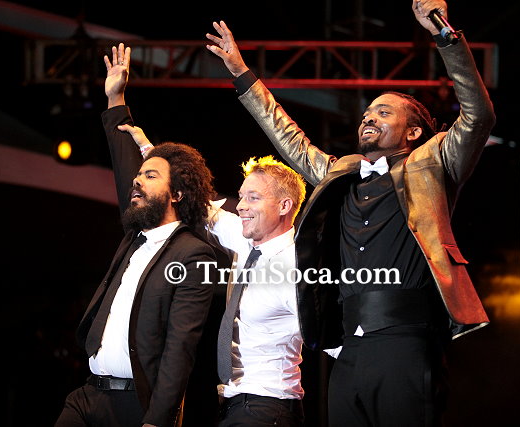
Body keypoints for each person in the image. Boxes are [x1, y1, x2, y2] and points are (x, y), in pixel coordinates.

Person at [206, 0, 495, 425]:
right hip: (349, 346)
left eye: (383, 112)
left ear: (414, 132)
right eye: (366, 113)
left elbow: (478, 116)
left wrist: (444, 35)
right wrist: (242, 74)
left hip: (406, 339)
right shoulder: (342, 173)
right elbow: (289, 137)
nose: (368, 118)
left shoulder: (434, 163)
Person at [103, 45, 316, 426]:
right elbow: (200, 206)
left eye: (253, 198)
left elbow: (327, 333)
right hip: (236, 403)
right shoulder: (246, 243)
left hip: (270, 407)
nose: (242, 206)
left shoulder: (294, 266)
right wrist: (151, 152)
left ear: (285, 206)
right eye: (242, 196)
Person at [55, 46, 218, 427]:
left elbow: (180, 348)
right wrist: (116, 99)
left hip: (135, 406)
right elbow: (123, 162)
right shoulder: (135, 235)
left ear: (177, 194)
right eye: (139, 175)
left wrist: (158, 419)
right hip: (88, 395)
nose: (137, 180)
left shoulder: (193, 254)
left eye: (150, 176)